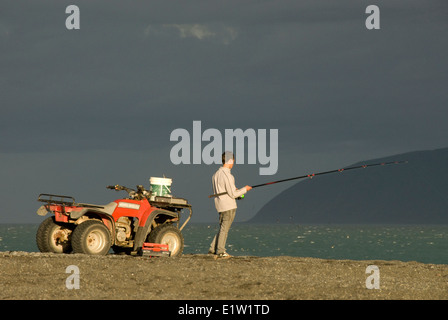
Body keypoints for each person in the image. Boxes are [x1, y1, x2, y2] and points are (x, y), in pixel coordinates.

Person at [209, 151, 252, 259]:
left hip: (219, 205)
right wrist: (245, 189)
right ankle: (220, 251)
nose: (233, 163)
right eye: (233, 160)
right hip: (228, 206)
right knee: (225, 229)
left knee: (222, 227)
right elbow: (233, 194)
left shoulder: (215, 175)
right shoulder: (228, 175)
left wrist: (236, 190)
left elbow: (226, 190)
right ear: (230, 160)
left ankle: (213, 248)